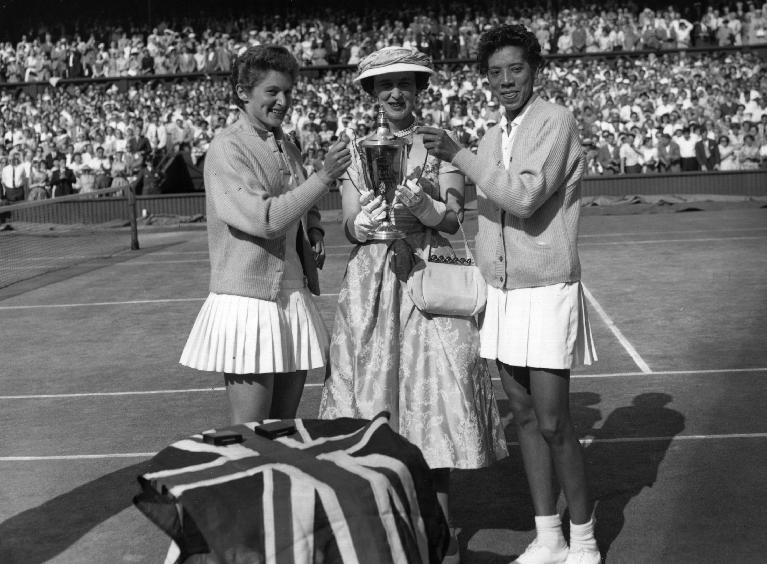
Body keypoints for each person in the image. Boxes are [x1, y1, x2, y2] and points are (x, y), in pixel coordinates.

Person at [319, 46, 507, 564]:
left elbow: (453, 219)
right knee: (373, 415)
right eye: (385, 86)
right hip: (372, 284)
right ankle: (384, 540)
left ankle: (439, 544)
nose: (396, 93)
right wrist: (364, 224)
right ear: (373, 95)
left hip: (428, 279)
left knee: (435, 414)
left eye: (404, 83)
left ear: (419, 89)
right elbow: (349, 222)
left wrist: (423, 209)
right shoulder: (358, 150)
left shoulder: (440, 143)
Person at [419, 25, 599, 564]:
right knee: (522, 418)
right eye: (495, 73)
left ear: (534, 69)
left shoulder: (555, 122)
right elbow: (488, 212)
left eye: (515, 70)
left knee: (553, 422)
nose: (505, 81)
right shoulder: (495, 133)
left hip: (545, 288)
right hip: (502, 292)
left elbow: (522, 197)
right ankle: (548, 535)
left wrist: (461, 154)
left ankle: (585, 539)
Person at [180, 45, 351, 424]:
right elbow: (266, 218)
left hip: (292, 295)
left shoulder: (285, 141)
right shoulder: (227, 148)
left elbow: (301, 195)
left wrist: (316, 229)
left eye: (288, 91)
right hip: (248, 301)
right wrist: (325, 177)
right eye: (272, 91)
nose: (282, 101)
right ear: (244, 92)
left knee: (283, 430)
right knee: (252, 434)